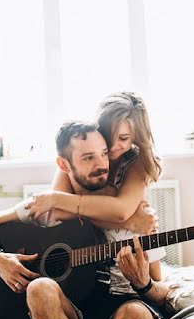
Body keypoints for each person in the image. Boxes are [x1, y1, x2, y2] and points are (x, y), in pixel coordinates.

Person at [0, 121, 170, 319]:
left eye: (104, 154)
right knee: (38, 288)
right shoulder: (46, 209)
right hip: (71, 304)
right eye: (88, 157)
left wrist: (143, 283)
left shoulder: (137, 217)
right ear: (64, 164)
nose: (102, 164)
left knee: (135, 315)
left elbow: (163, 293)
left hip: (123, 304)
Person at [25, 92, 165, 289]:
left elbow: (122, 209)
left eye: (124, 138)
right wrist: (129, 221)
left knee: (153, 268)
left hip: (129, 241)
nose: (114, 146)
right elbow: (59, 212)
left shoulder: (137, 163)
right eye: (108, 135)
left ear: (136, 137)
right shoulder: (76, 158)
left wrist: (57, 198)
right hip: (85, 248)